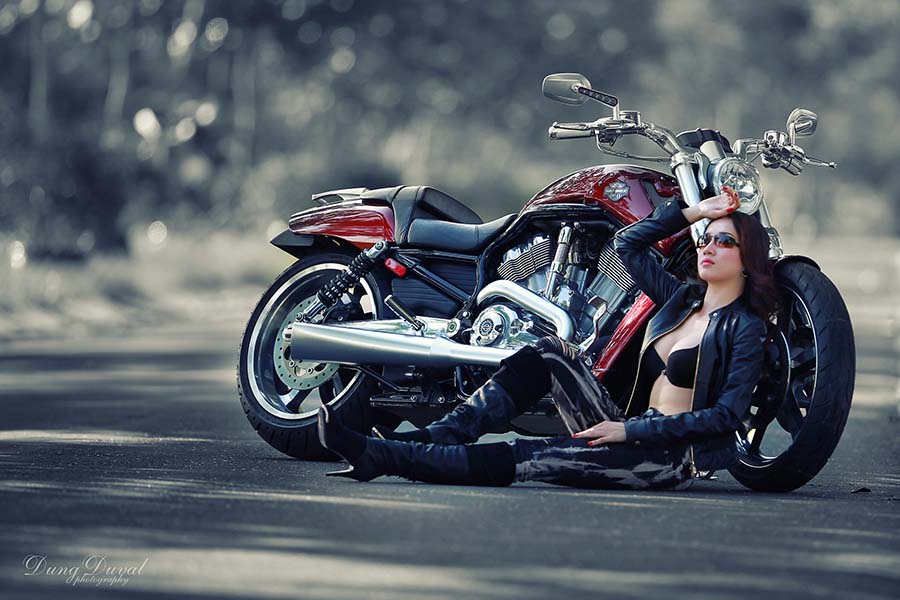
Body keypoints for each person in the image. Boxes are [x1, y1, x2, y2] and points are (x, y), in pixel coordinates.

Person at [317, 185, 777, 490]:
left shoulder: (746, 327)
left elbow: (725, 417)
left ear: (748, 258)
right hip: (622, 428)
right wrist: (695, 211)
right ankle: (435, 439)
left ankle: (385, 456)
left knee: (531, 456)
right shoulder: (680, 300)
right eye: (706, 239)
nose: (707, 247)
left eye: (724, 242)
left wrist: (628, 429)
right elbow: (627, 246)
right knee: (549, 352)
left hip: (664, 459)